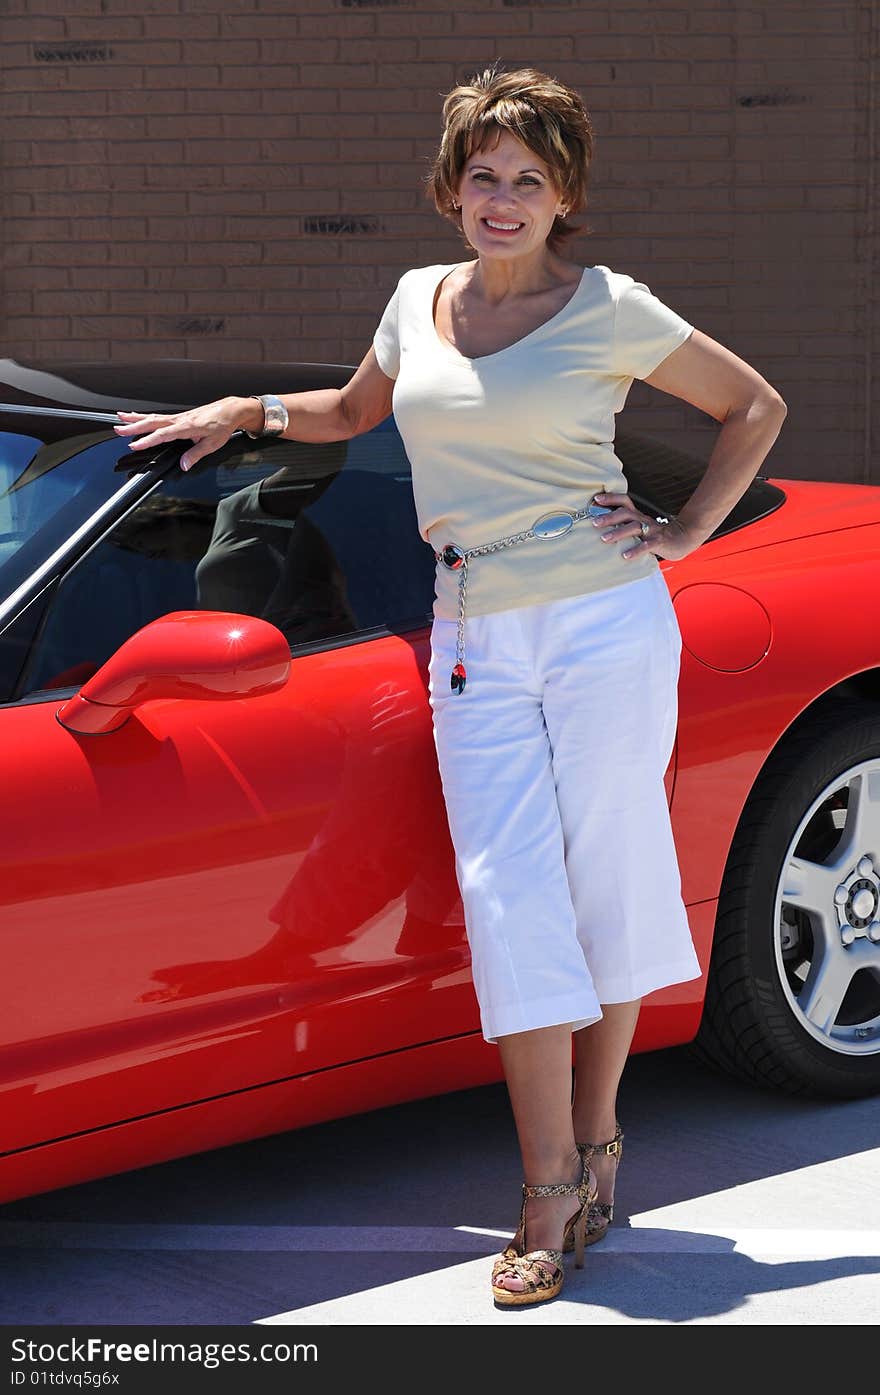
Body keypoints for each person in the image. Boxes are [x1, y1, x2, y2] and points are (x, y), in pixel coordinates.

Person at [114, 63, 787, 1308]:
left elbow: (752, 405)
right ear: (451, 187)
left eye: (528, 180)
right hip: (472, 633)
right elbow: (355, 412)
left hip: (601, 622)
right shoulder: (417, 300)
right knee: (504, 892)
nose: (502, 198)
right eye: (484, 175)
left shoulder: (611, 307)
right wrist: (244, 408)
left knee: (607, 875)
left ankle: (590, 1157)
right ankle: (546, 1183)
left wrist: (686, 531)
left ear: (562, 195)